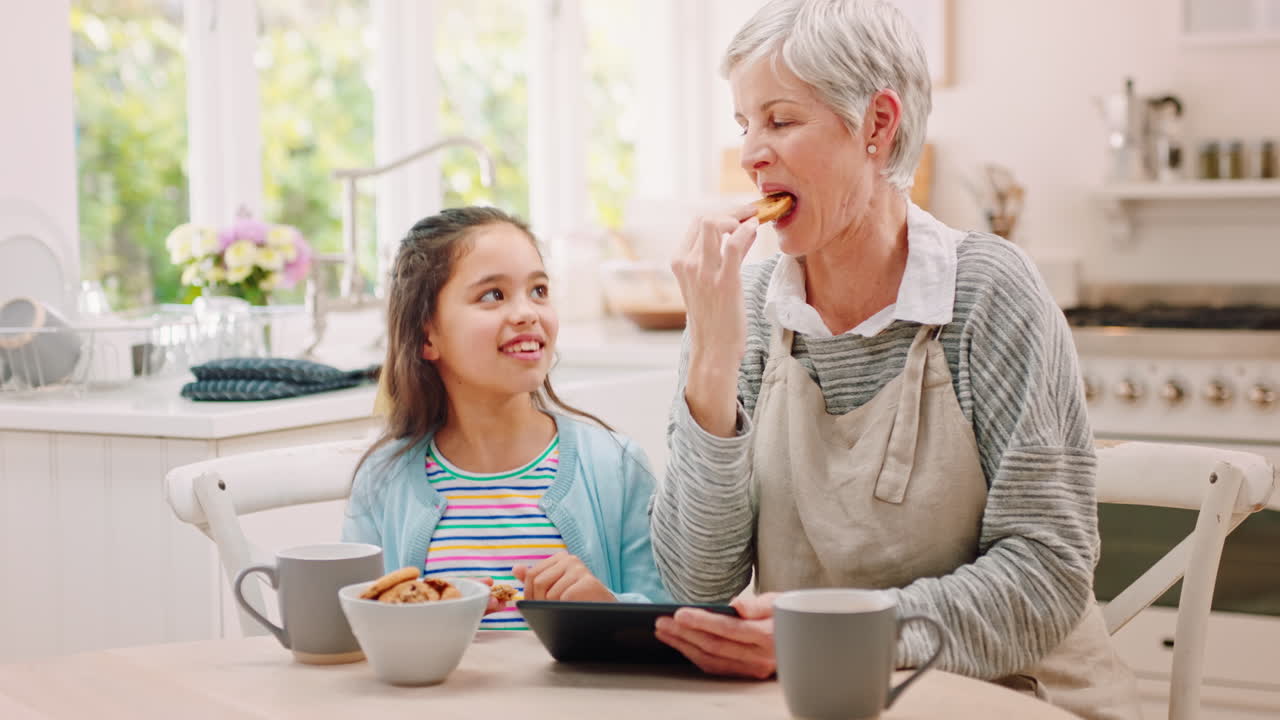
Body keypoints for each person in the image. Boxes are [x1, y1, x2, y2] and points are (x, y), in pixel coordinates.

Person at [647, 1, 1139, 718]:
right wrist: (712, 359)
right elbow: (697, 584)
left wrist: (840, 633)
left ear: (878, 124)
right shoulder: (742, 307)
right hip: (825, 697)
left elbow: (1046, 577)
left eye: (780, 120)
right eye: (744, 124)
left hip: (1016, 698)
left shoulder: (989, 294)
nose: (752, 152)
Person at [343, 207, 669, 631]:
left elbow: (665, 625)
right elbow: (355, 629)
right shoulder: (383, 480)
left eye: (538, 290)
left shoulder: (617, 466)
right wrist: (419, 623)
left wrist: (603, 607)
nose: (526, 312)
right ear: (427, 337)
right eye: (493, 295)